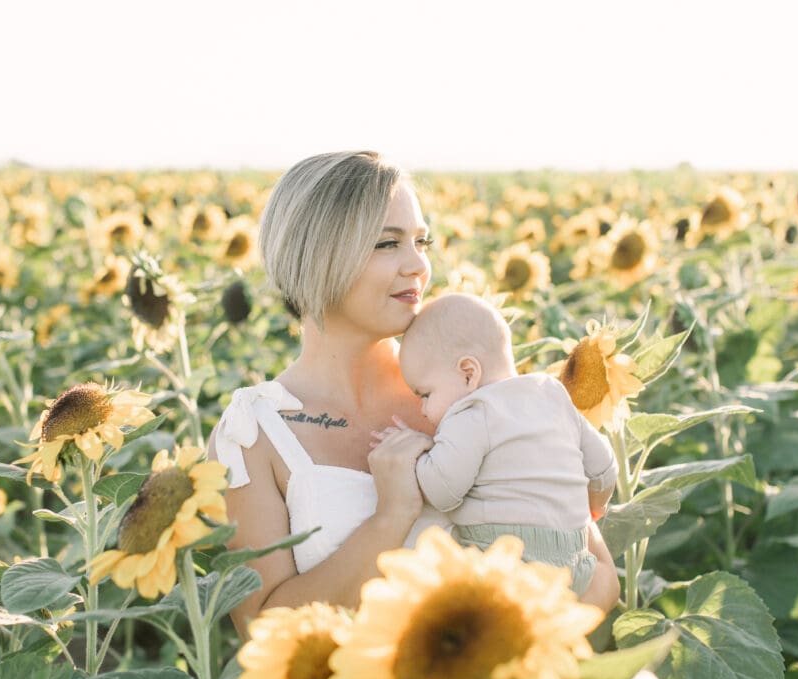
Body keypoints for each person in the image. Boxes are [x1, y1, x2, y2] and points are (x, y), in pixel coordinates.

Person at [206, 151, 620, 637]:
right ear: (316, 255)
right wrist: (390, 518)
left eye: (422, 241)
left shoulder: (471, 386)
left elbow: (597, 572)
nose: (418, 265)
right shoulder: (252, 434)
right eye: (388, 243)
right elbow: (264, 631)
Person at [369, 292, 617, 600]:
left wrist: (415, 453)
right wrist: (596, 503)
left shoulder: (473, 413)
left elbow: (443, 491)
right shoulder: (552, 393)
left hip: (510, 561)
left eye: (425, 394)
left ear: (468, 373)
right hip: (577, 565)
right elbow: (604, 465)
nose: (422, 410)